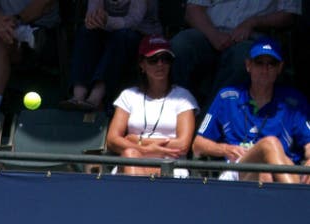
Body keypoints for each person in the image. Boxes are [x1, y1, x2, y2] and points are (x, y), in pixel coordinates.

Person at [192, 38, 310, 183]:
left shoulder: (294, 101)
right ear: (248, 65)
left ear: (280, 68)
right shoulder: (227, 97)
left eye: (271, 64)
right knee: (269, 144)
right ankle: (297, 197)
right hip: (239, 169)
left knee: (267, 174)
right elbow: (198, 145)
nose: (265, 69)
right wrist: (225, 149)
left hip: (283, 169)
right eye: (259, 63)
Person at [170, 0, 302, 106]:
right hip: (209, 32)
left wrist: (253, 22)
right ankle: (172, 115)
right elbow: (193, 9)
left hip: (252, 38)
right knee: (180, 45)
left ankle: (208, 123)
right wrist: (213, 35)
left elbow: (289, 15)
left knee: (244, 59)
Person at [105, 35, 199, 175]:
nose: (160, 64)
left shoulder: (183, 97)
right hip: (133, 159)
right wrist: (145, 150)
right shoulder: (128, 95)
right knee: (131, 154)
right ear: (142, 64)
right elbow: (112, 140)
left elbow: (183, 145)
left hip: (170, 164)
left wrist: (138, 140)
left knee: (131, 153)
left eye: (165, 59)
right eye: (153, 60)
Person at [59, 0, 163, 113]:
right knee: (86, 32)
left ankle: (95, 98)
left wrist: (106, 20)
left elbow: (133, 20)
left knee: (121, 36)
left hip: (140, 34)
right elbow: (93, 13)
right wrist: (93, 19)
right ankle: (78, 95)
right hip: (107, 31)